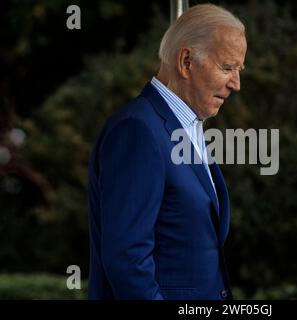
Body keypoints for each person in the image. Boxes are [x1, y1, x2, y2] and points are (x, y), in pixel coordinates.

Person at [87, 4, 247, 300]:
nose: (236, 84)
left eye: (239, 69)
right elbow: (127, 260)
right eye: (227, 67)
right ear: (186, 61)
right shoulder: (138, 130)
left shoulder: (189, 125)